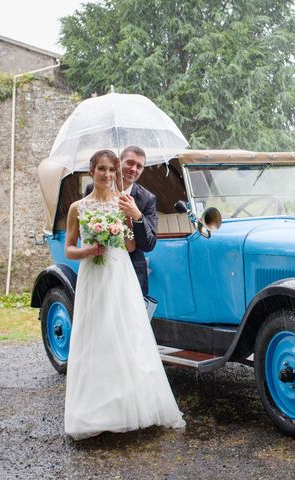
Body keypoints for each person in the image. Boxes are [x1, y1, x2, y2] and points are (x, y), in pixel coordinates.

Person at [64, 149, 185, 440]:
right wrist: (91, 249)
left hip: (121, 275)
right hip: (94, 275)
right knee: (96, 336)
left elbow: (132, 247)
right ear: (92, 170)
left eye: (110, 170)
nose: (107, 175)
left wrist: (131, 218)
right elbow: (70, 248)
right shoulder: (78, 207)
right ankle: (95, 411)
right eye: (102, 169)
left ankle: (131, 406)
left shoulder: (124, 203)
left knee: (129, 336)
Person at [84, 145, 157, 296]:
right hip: (101, 265)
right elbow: (84, 227)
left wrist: (137, 216)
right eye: (129, 163)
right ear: (118, 163)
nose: (134, 169)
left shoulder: (147, 199)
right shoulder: (94, 188)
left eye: (139, 166)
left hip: (132, 267)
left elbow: (149, 244)